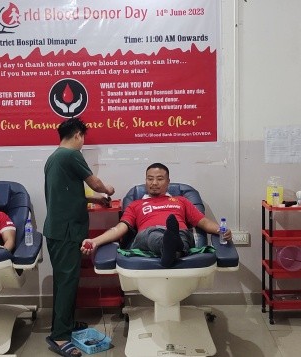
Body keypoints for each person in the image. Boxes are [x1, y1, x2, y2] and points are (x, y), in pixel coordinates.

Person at [43, 117, 114, 357]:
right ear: (77, 135)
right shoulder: (72, 155)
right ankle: (60, 337)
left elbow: (67, 195)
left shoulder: (53, 159)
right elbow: (94, 183)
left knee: (66, 282)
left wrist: (94, 200)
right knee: (67, 283)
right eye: (82, 138)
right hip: (66, 232)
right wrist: (107, 191)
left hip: (57, 230)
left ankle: (65, 325)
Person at [80, 163, 232, 267]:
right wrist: (95, 241)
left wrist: (221, 230)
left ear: (168, 182)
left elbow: (203, 222)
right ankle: (170, 245)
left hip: (179, 233)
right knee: (154, 235)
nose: (154, 183)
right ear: (145, 181)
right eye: (150, 178)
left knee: (182, 235)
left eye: (160, 179)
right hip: (148, 235)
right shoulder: (136, 205)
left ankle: (171, 247)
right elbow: (119, 229)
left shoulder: (181, 201)